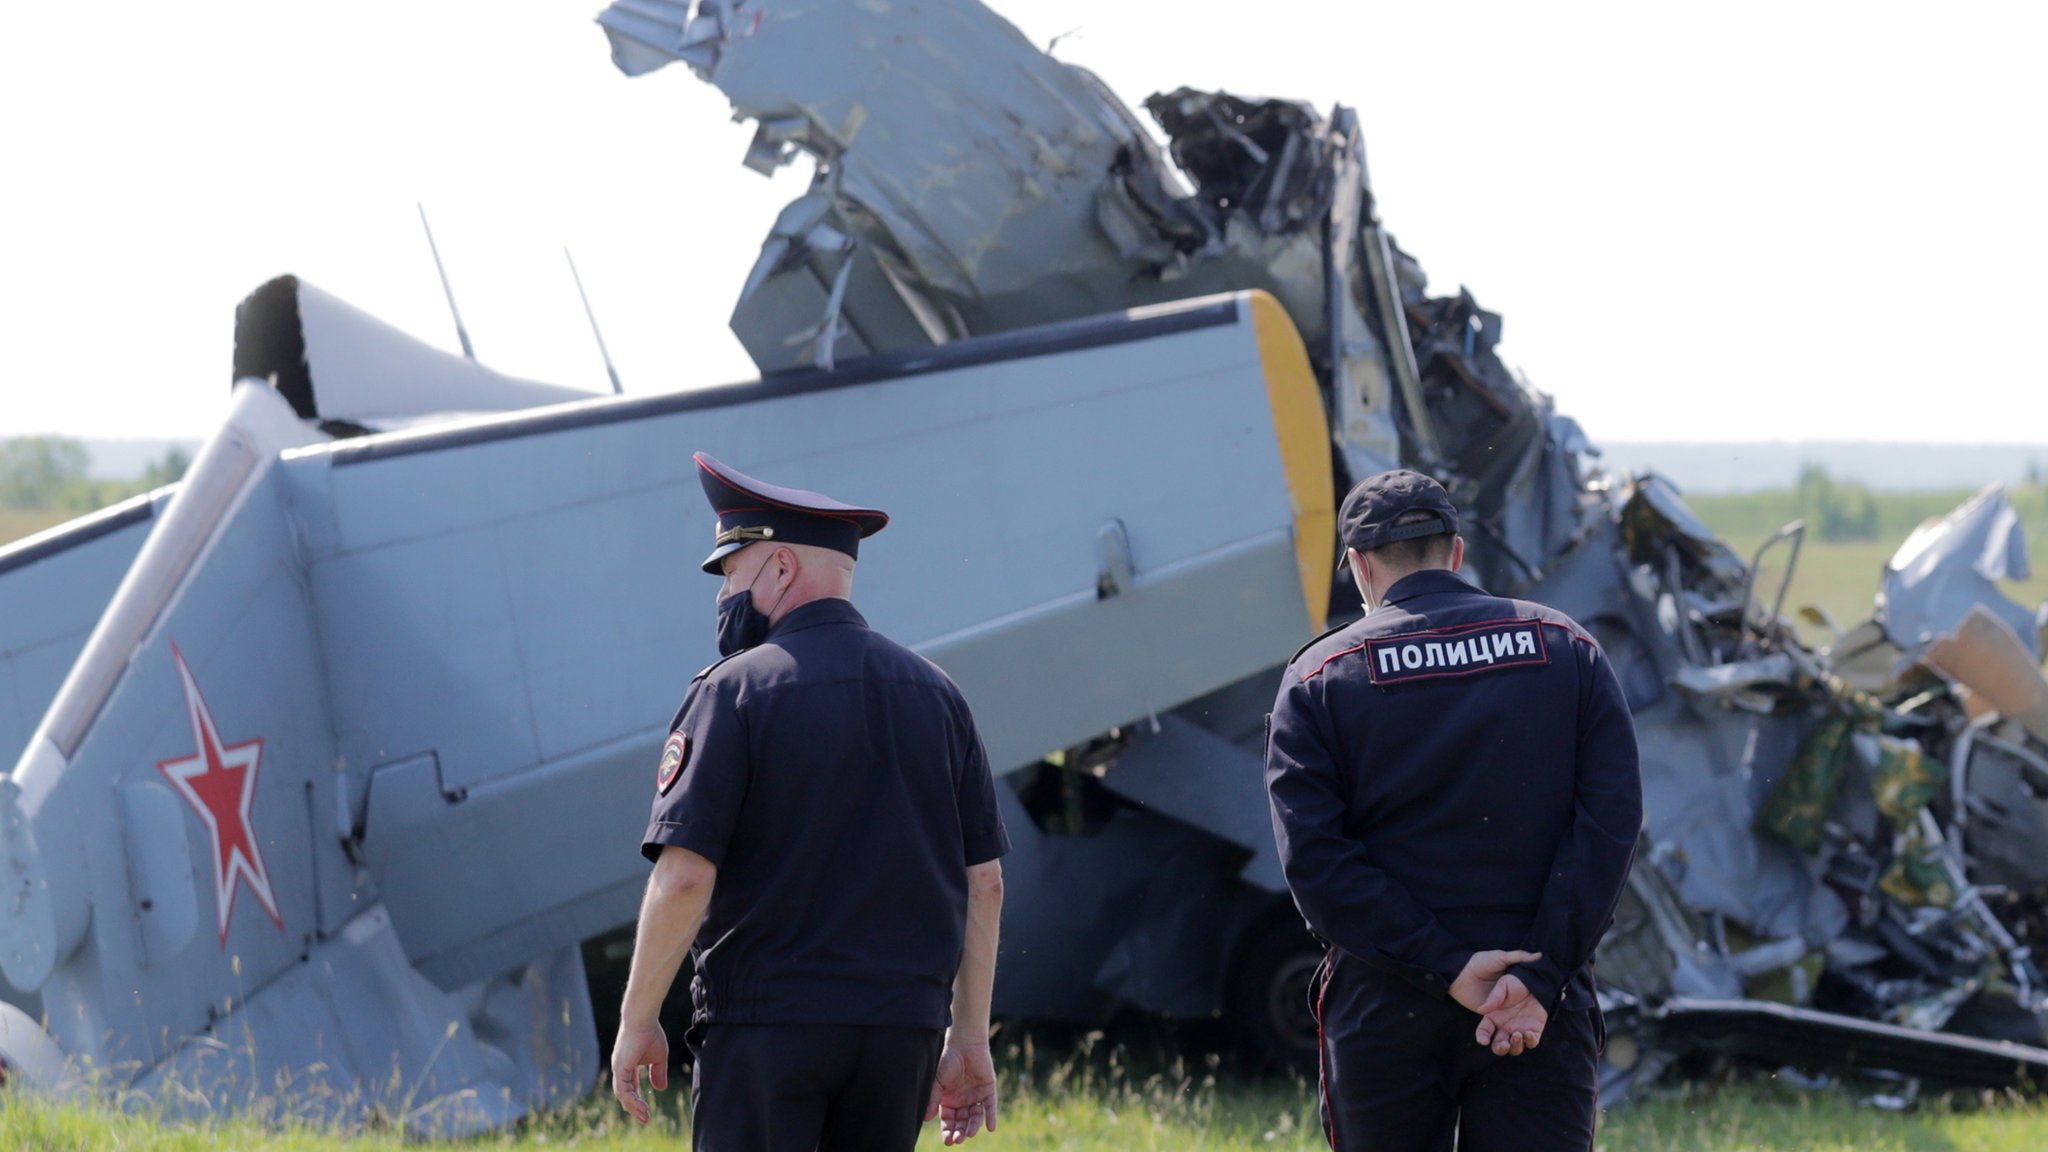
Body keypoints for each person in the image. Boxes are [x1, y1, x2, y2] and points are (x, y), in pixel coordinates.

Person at [611, 452, 1010, 1150]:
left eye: (731, 573)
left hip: (769, 1031)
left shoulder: (731, 693)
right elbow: (986, 883)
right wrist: (968, 1036)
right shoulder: (939, 696)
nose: (721, 597)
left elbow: (684, 878)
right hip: (900, 1038)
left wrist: (638, 1021)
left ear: (781, 568)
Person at [1264, 469, 1642, 1151]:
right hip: (1539, 1007)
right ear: (1457, 552)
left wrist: (1446, 966)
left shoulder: (1319, 679)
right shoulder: (1567, 649)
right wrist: (1535, 976)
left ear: (1358, 568)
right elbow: (1609, 829)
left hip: (1387, 1008)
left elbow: (1317, 865)